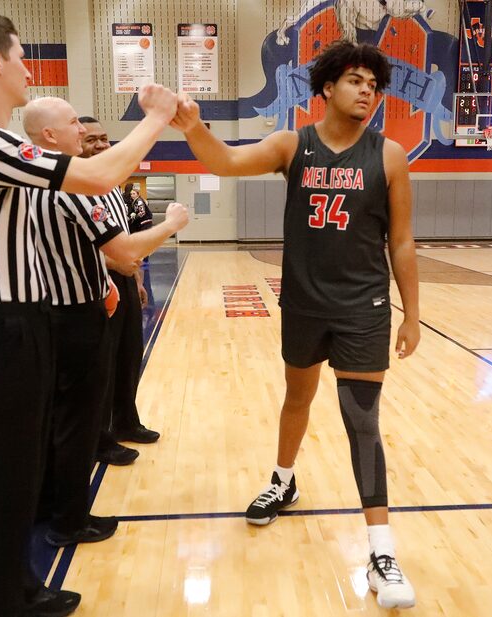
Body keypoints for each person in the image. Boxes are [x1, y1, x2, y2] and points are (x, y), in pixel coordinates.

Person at [0, 8, 178, 617]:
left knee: (18, 482)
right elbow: (96, 175)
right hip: (1, 330)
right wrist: (157, 118)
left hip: (26, 324)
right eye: (19, 56)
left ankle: (17, 589)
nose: (26, 67)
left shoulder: (0, 142)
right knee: (4, 489)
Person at [172, 40, 421, 610]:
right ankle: (283, 479)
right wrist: (191, 126)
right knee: (297, 398)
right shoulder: (293, 145)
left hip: (363, 308)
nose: (367, 92)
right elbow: (227, 163)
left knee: (362, 420)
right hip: (304, 304)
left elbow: (401, 241)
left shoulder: (389, 156)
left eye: (374, 85)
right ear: (327, 88)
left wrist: (414, 312)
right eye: (356, 80)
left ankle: (381, 550)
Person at [22, 100, 186, 549]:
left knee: (58, 416)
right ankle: (70, 519)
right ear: (50, 136)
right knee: (79, 421)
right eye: (75, 123)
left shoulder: (30, 180)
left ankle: (48, 504)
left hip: (50, 309)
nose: (84, 130)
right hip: (76, 316)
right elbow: (127, 253)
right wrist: (172, 224)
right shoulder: (74, 186)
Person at [76, 117, 161, 469]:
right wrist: (115, 267)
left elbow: (122, 235)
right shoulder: (75, 185)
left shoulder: (111, 183)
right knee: (101, 367)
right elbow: (76, 245)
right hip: (96, 283)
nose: (100, 145)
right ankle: (100, 438)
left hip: (124, 279)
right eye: (91, 140)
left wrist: (137, 280)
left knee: (129, 355)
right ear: (77, 143)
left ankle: (126, 421)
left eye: (104, 139)